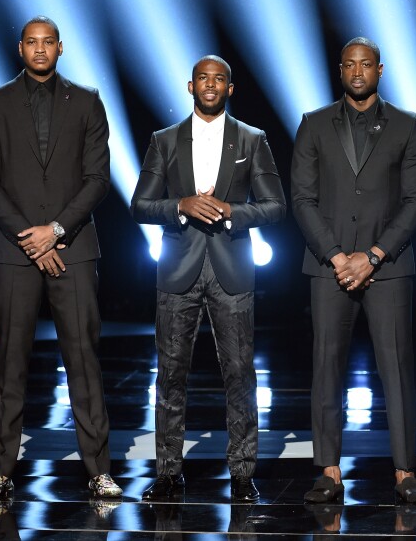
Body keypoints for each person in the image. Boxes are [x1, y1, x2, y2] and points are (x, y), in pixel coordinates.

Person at [0, 15, 121, 499]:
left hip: (72, 249)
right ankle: (0, 471)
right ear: (20, 49)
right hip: (13, 253)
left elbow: (98, 179)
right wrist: (28, 237)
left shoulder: (89, 101)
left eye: (48, 42)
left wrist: (55, 231)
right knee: (9, 363)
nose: (40, 50)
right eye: (31, 43)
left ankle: (99, 469)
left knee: (83, 360)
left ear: (61, 47)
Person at [131, 55, 286, 503]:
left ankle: (241, 474)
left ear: (230, 89)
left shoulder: (252, 139)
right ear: (190, 85)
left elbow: (276, 205)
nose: (211, 85)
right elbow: (140, 205)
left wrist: (233, 212)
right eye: (204, 78)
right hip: (177, 269)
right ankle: (167, 472)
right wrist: (180, 205)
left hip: (232, 269)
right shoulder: (164, 140)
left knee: (239, 374)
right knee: (170, 375)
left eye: (219, 79)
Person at [291, 37, 416, 504]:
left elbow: (415, 201)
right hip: (327, 267)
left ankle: (405, 472)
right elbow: (303, 200)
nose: (357, 71)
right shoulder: (313, 125)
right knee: (326, 367)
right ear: (340, 70)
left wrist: (372, 256)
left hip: (387, 267)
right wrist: (336, 256)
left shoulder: (407, 126)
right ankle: (328, 471)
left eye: (365, 64)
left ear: (380, 69)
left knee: (396, 368)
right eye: (349, 64)